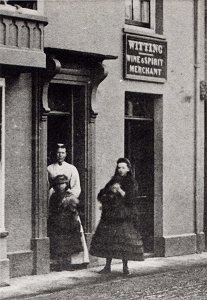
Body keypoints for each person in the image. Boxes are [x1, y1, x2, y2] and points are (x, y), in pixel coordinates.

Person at [90, 157, 144, 275]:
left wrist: (119, 190)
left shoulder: (131, 182)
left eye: (123, 168)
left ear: (128, 169)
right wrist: (108, 194)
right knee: (109, 240)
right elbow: (101, 194)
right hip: (110, 215)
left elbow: (131, 199)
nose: (120, 170)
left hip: (124, 215)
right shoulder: (113, 180)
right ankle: (107, 266)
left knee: (124, 241)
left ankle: (125, 267)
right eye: (119, 167)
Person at [47, 143, 89, 268]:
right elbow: (47, 186)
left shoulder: (72, 168)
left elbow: (77, 187)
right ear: (54, 154)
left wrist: (68, 197)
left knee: (74, 229)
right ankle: (57, 261)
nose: (60, 155)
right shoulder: (49, 168)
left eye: (63, 152)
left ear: (66, 154)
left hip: (68, 202)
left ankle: (76, 261)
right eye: (58, 152)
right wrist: (53, 196)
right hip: (55, 201)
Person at [47, 174, 83, 270]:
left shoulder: (70, 195)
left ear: (66, 184)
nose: (60, 186)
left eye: (63, 184)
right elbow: (52, 208)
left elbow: (76, 209)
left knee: (69, 242)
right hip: (58, 221)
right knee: (59, 242)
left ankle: (68, 263)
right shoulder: (54, 196)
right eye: (58, 184)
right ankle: (59, 263)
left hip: (68, 222)